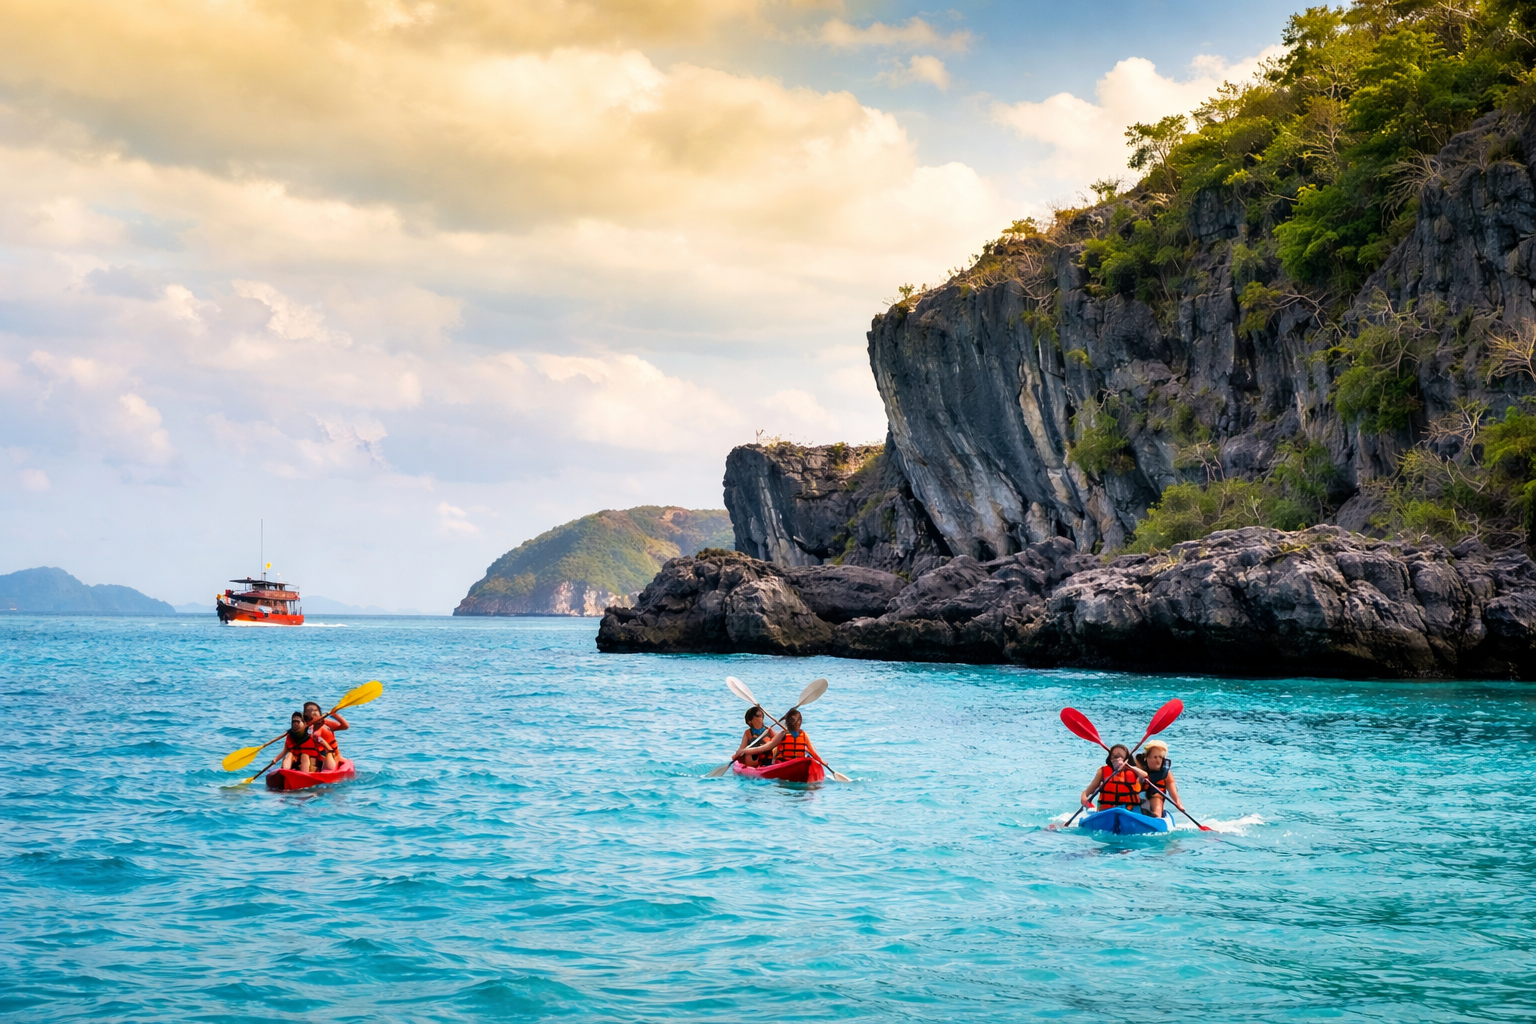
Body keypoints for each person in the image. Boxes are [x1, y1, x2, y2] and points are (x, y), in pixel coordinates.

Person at [1080, 743, 1149, 812]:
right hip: (1107, 811)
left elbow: (1144, 775)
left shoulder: (1134, 771)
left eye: (1120, 756)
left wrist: (1127, 765)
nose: (1118, 759)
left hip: (1130, 810)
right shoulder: (1102, 772)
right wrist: (1087, 802)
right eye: (1115, 756)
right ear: (1110, 758)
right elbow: (1086, 793)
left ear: (1126, 759)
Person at [743, 707, 823, 766]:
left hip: (783, 763)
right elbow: (814, 754)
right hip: (797, 762)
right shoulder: (805, 735)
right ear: (800, 722)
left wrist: (744, 751)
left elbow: (763, 748)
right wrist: (822, 762)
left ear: (786, 723)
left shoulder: (782, 734)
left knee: (774, 749)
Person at [1136, 740, 1185, 820]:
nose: (1158, 760)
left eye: (1161, 757)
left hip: (1155, 799)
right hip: (1139, 798)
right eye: (1155, 757)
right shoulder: (1138, 767)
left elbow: (1173, 791)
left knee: (1157, 796)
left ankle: (1156, 816)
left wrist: (1178, 804)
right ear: (1147, 757)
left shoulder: (1166, 773)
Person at [303, 701, 348, 772]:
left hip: (330, 753)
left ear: (320, 713)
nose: (314, 713)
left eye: (316, 710)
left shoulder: (325, 723)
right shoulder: (306, 726)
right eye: (310, 711)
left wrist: (335, 715)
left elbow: (345, 726)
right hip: (315, 754)